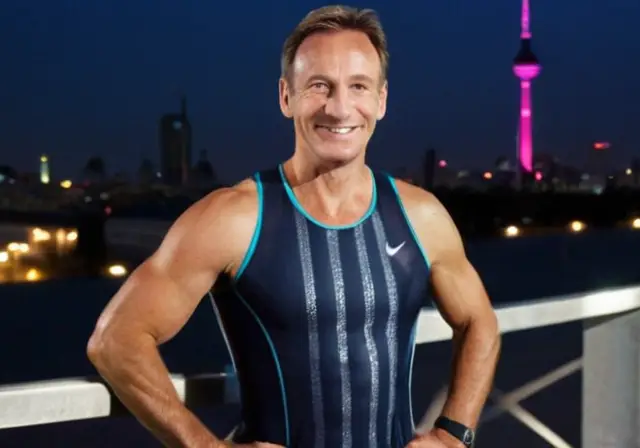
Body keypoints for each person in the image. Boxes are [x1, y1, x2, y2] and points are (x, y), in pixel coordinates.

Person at [87, 5, 500, 448]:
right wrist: (204, 446)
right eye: (319, 86)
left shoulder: (422, 215)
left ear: (381, 100)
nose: (340, 108)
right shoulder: (235, 218)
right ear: (286, 96)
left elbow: (480, 323)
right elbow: (116, 340)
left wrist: (455, 433)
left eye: (358, 86)